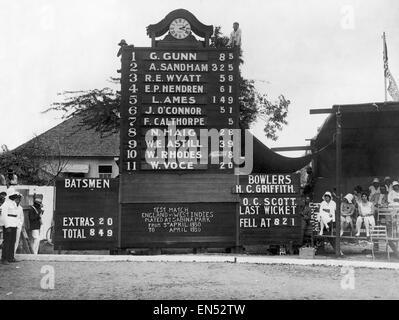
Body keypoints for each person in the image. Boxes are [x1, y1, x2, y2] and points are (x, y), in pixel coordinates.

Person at [1, 188, 23, 264]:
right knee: (7, 242)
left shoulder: (13, 203)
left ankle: (11, 257)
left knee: (12, 242)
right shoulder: (5, 204)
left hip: (14, 224)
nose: (15, 196)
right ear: (10, 195)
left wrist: (16, 225)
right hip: (8, 225)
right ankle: (4, 259)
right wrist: (7, 226)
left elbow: (16, 215)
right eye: (13, 195)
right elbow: (4, 216)